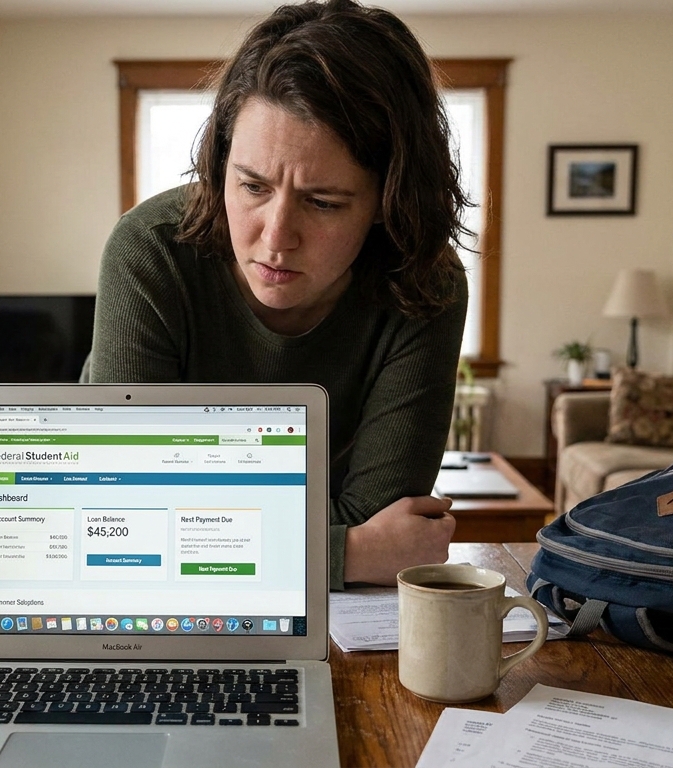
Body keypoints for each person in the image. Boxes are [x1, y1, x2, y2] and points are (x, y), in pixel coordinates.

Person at [84, 0, 470, 590]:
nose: (274, 237)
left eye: (324, 202)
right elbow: (119, 524)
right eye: (252, 186)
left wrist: (204, 533)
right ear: (220, 167)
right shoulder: (151, 250)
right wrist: (348, 553)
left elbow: (382, 520)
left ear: (387, 204)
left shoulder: (424, 282)